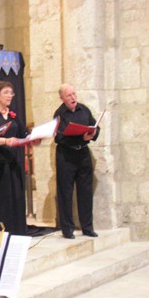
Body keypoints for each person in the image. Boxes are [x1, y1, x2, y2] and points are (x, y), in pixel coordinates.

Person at [0, 81, 32, 235]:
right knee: (0, 199)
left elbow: (23, 134)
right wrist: (5, 141)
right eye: (6, 92)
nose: (10, 95)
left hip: (13, 162)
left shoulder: (13, 114)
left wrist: (34, 138)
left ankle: (15, 231)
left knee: (14, 197)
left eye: (11, 92)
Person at [54, 83, 100, 239]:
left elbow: (94, 125)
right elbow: (59, 137)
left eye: (74, 94)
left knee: (85, 192)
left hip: (83, 155)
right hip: (66, 157)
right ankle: (67, 229)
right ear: (62, 98)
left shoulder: (84, 109)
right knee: (65, 193)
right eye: (69, 95)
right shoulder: (59, 114)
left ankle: (87, 227)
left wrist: (92, 134)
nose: (73, 97)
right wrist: (80, 136)